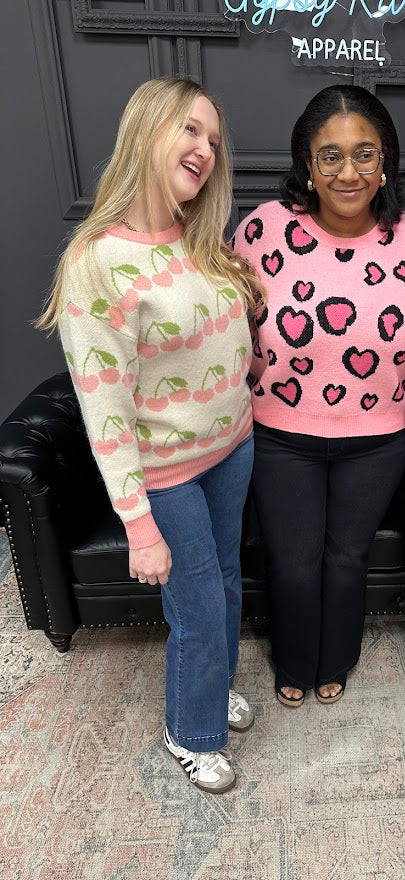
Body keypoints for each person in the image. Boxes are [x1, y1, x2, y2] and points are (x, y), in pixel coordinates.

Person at [38, 78, 264, 792]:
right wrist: (138, 526)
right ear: (144, 131)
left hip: (233, 448)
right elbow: (104, 408)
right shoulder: (96, 262)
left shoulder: (200, 240)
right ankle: (190, 732)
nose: (205, 149)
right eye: (189, 129)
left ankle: (211, 688)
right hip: (167, 474)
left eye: (213, 140)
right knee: (197, 607)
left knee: (225, 585)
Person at [232, 85, 405, 707]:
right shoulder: (263, 231)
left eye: (365, 154)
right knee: (292, 562)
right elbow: (227, 328)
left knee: (347, 558)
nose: (349, 172)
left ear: (385, 161)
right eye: (331, 156)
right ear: (307, 165)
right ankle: (293, 660)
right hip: (280, 434)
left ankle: (337, 657)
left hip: (378, 439)